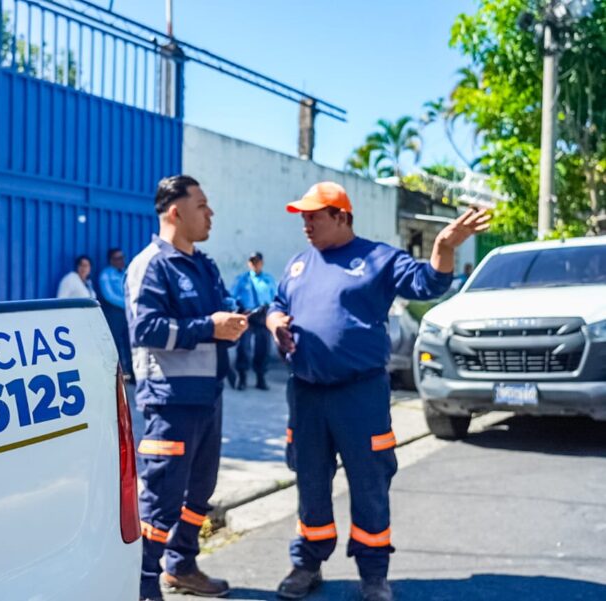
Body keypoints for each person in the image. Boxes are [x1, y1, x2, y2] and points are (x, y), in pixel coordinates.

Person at [265, 182, 489, 601]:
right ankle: (307, 563)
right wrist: (274, 322)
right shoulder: (298, 264)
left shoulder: (377, 259)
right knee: (310, 481)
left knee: (369, 482)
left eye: (314, 216)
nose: (306, 224)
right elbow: (278, 304)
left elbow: (428, 284)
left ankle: (373, 574)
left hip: (360, 396)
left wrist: (443, 247)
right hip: (307, 394)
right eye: (303, 217)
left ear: (342, 217)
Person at [126, 175, 248, 601]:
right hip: (170, 401)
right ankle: (142, 584)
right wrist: (208, 327)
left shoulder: (204, 265)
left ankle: (181, 565)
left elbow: (223, 308)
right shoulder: (150, 265)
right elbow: (145, 329)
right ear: (175, 212)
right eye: (202, 205)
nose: (210, 213)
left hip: (208, 397)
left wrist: (236, 319)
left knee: (200, 491)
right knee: (161, 498)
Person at [230, 251, 277, 390]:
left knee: (263, 348)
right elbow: (232, 296)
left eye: (257, 261)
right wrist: (237, 309)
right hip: (247, 315)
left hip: (262, 316)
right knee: (243, 347)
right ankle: (242, 377)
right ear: (248, 263)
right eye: (252, 261)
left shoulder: (268, 280)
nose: (255, 264)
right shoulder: (242, 279)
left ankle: (260, 377)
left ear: (262, 263)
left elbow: (275, 297)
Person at [98, 248, 133, 377]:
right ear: (111, 260)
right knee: (115, 342)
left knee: (130, 342)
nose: (121, 261)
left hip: (128, 312)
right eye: (117, 258)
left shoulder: (126, 272)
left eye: (122, 257)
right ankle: (118, 373)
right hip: (114, 313)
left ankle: (132, 372)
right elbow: (109, 296)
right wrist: (127, 304)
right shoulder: (106, 275)